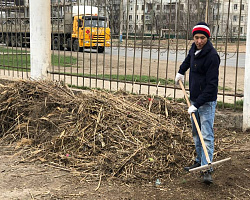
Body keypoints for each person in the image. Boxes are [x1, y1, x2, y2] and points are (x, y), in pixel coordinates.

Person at [175, 22, 220, 184]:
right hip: (194, 98)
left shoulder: (212, 56)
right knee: (196, 133)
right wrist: (181, 71)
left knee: (206, 135)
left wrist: (197, 104)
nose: (199, 41)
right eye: (196, 38)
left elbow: (212, 86)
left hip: (206, 102)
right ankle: (199, 160)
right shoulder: (194, 48)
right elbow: (188, 60)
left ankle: (207, 168)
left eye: (202, 38)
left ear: (207, 38)